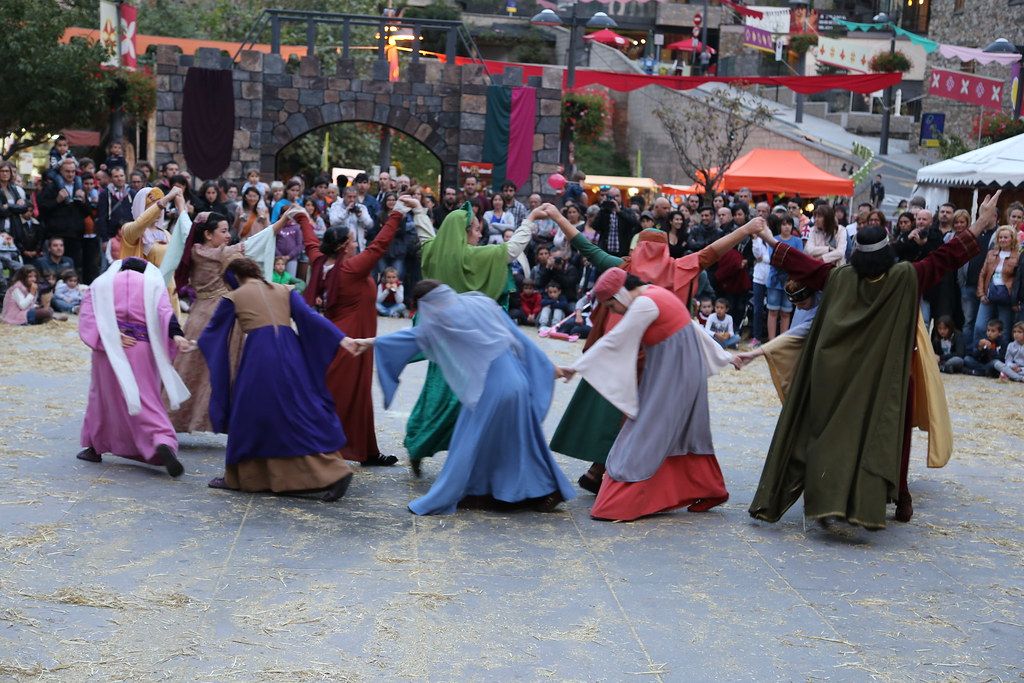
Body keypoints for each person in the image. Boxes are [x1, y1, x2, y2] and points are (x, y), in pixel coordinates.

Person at [748, 191, 1002, 530]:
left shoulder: (839, 278)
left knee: (832, 434)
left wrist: (768, 238)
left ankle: (834, 499)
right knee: (889, 434)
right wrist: (981, 222)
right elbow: (946, 257)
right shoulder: (905, 277)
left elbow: (805, 266)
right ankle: (897, 496)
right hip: (887, 379)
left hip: (839, 376)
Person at [545, 207, 766, 493]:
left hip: (622, 356)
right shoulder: (679, 268)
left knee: (618, 411)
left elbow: (587, 247)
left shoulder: (623, 270)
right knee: (646, 418)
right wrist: (745, 229)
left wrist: (557, 217)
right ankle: (612, 473)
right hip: (659, 362)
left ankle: (603, 471)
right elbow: (712, 252)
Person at [355, 279, 576, 514]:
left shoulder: (445, 320)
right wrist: (548, 368)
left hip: (491, 390)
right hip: (516, 383)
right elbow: (519, 339)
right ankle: (521, 491)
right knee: (519, 440)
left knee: (468, 442)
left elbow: (412, 338)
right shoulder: (480, 303)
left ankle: (468, 492)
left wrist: (369, 342)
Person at [558, 268, 733, 521]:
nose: (615, 312)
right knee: (684, 432)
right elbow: (692, 328)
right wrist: (724, 356)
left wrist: (576, 367)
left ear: (620, 294)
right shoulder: (657, 293)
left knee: (643, 432)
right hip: (679, 372)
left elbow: (615, 339)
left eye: (612, 306)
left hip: (672, 374)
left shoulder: (644, 304)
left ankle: (620, 502)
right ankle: (710, 488)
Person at [200, 258, 356, 501]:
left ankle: (239, 477)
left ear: (233, 277)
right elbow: (310, 317)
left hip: (260, 356)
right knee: (300, 408)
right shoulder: (285, 289)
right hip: (292, 352)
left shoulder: (234, 296)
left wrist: (194, 343)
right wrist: (341, 338)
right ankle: (332, 468)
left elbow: (212, 333)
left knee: (247, 414)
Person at [402, 201, 535, 475]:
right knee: (462, 399)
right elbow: (512, 250)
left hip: (442, 343)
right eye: (475, 229)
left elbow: (426, 235)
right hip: (469, 346)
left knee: (435, 396)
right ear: (462, 232)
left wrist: (418, 211)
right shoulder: (475, 257)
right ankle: (454, 450)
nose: (479, 233)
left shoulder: (433, 253)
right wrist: (530, 219)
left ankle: (420, 443)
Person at [296, 196, 409, 466]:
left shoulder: (321, 261)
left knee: (358, 393)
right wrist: (396, 214)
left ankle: (366, 450)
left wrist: (301, 217)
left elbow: (311, 242)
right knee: (344, 393)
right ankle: (318, 446)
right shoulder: (351, 268)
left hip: (342, 335)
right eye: (352, 240)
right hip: (351, 339)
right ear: (344, 246)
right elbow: (379, 246)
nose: (356, 243)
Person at [169, 209, 292, 433]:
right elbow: (256, 242)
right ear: (208, 234)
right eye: (224, 231)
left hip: (198, 314)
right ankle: (215, 420)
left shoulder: (195, 250)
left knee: (190, 367)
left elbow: (187, 229)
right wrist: (281, 222)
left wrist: (179, 204)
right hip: (222, 315)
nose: (228, 236)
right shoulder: (223, 254)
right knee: (221, 368)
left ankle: (175, 417)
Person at [75, 258, 193, 477]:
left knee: (102, 398)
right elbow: (165, 313)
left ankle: (94, 448)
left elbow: (88, 317)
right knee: (146, 398)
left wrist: (109, 335)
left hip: (110, 348)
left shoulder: (101, 283)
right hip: (142, 348)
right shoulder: (152, 283)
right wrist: (177, 335)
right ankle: (161, 439)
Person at [118, 186, 190, 315]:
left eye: (161, 208)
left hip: (168, 292)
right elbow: (140, 223)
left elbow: (188, 241)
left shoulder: (166, 234)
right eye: (151, 207)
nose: (159, 211)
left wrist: (182, 209)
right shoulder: (129, 230)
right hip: (142, 291)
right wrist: (167, 198)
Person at [974, 226, 1018, 347]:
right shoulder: (991, 254)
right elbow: (983, 274)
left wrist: (1015, 299)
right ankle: (979, 351)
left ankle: (1002, 354)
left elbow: (1018, 279)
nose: (1003, 240)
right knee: (980, 326)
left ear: (1012, 239)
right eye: (1000, 237)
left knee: (1004, 329)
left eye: (1006, 237)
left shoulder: (1018, 256)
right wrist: (981, 294)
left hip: (1006, 297)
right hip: (989, 294)